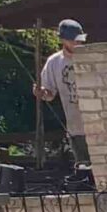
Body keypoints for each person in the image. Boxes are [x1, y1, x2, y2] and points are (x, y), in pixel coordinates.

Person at [35, 20, 84, 160]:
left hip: (101, 127)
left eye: (79, 39)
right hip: (76, 127)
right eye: (73, 40)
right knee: (83, 167)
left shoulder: (93, 57)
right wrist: (41, 93)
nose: (77, 43)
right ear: (63, 40)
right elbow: (49, 94)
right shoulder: (54, 62)